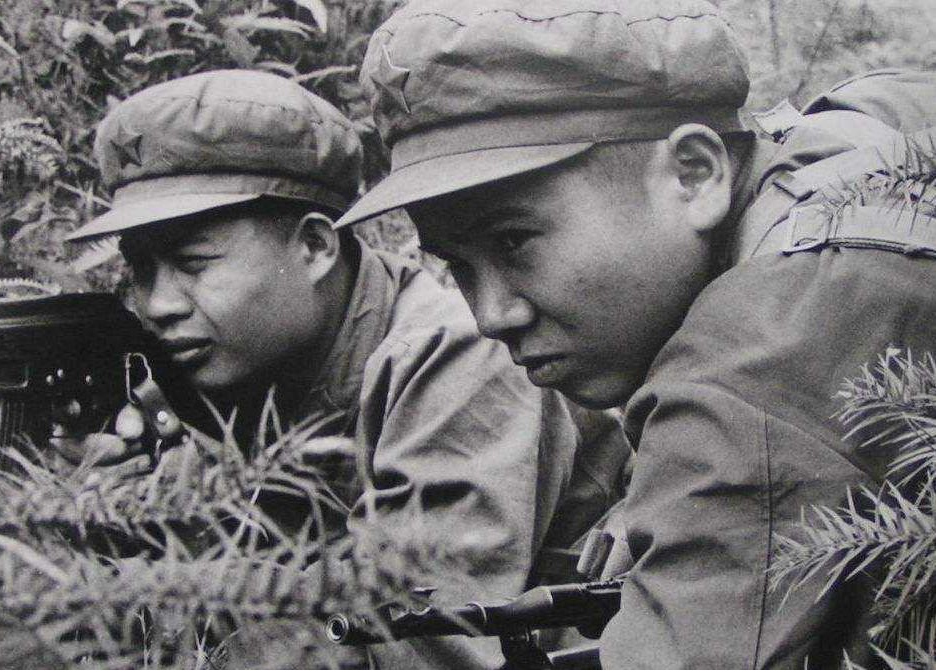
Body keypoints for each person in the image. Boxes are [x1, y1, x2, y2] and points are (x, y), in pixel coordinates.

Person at [335, 1, 936, 667]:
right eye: (459, 267)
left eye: (512, 241)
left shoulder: (753, 365)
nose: (489, 316)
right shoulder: (856, 135)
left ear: (694, 173)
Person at [59, 70, 630, 668]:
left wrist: (108, 600)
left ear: (314, 247)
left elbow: (407, 637)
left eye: (192, 263)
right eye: (141, 271)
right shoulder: (239, 368)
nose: (157, 304)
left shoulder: (456, 357)